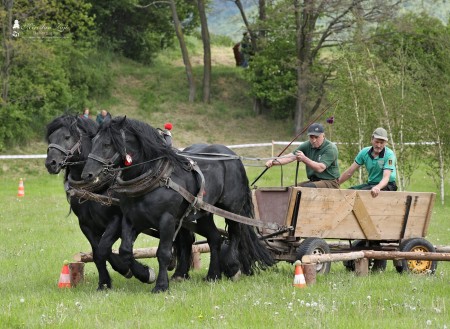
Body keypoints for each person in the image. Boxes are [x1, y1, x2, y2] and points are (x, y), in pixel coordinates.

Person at [265, 123, 340, 188]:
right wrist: (274, 162)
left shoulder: (330, 148)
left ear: (323, 135)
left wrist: (304, 159)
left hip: (330, 183)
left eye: (316, 137)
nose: (313, 140)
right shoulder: (307, 145)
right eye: (311, 137)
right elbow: (290, 157)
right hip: (314, 182)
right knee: (291, 189)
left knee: (305, 188)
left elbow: (320, 168)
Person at [338, 127, 397, 198]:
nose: (378, 145)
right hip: (371, 184)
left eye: (382, 143)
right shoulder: (364, 152)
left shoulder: (389, 155)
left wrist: (377, 187)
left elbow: (386, 177)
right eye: (377, 142)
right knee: (349, 191)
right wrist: (336, 184)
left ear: (385, 143)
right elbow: (350, 172)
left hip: (387, 185)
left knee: (361, 193)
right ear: (372, 139)